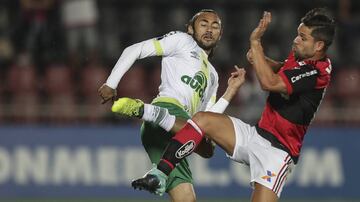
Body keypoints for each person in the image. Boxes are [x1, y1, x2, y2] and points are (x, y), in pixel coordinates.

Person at [112, 8, 336, 201]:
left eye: (302, 38)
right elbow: (283, 70)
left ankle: (148, 111)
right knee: (202, 122)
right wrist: (262, 60)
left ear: (318, 46)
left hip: (278, 152)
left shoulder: (316, 72)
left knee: (207, 147)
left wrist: (256, 43)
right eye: (297, 34)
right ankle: (159, 174)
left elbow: (269, 82)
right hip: (256, 135)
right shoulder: (301, 57)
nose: (295, 40)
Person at [99, 9, 244, 202]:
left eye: (214, 26)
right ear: (191, 29)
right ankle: (147, 111)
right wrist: (111, 83)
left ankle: (157, 172)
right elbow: (134, 50)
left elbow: (208, 118)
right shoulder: (182, 40)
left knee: (204, 159)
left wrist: (231, 90)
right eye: (203, 24)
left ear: (220, 33)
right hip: (169, 108)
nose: (209, 29)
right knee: (200, 135)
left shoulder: (213, 76)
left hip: (177, 135)